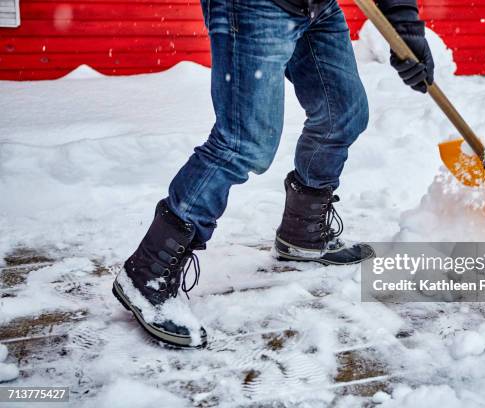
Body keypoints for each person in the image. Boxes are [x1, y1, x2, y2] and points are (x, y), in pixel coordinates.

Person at [112, 0, 435, 348]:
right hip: (255, 7)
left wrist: (405, 30)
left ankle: (304, 232)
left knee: (342, 114)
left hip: (317, 6)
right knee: (243, 142)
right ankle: (148, 273)